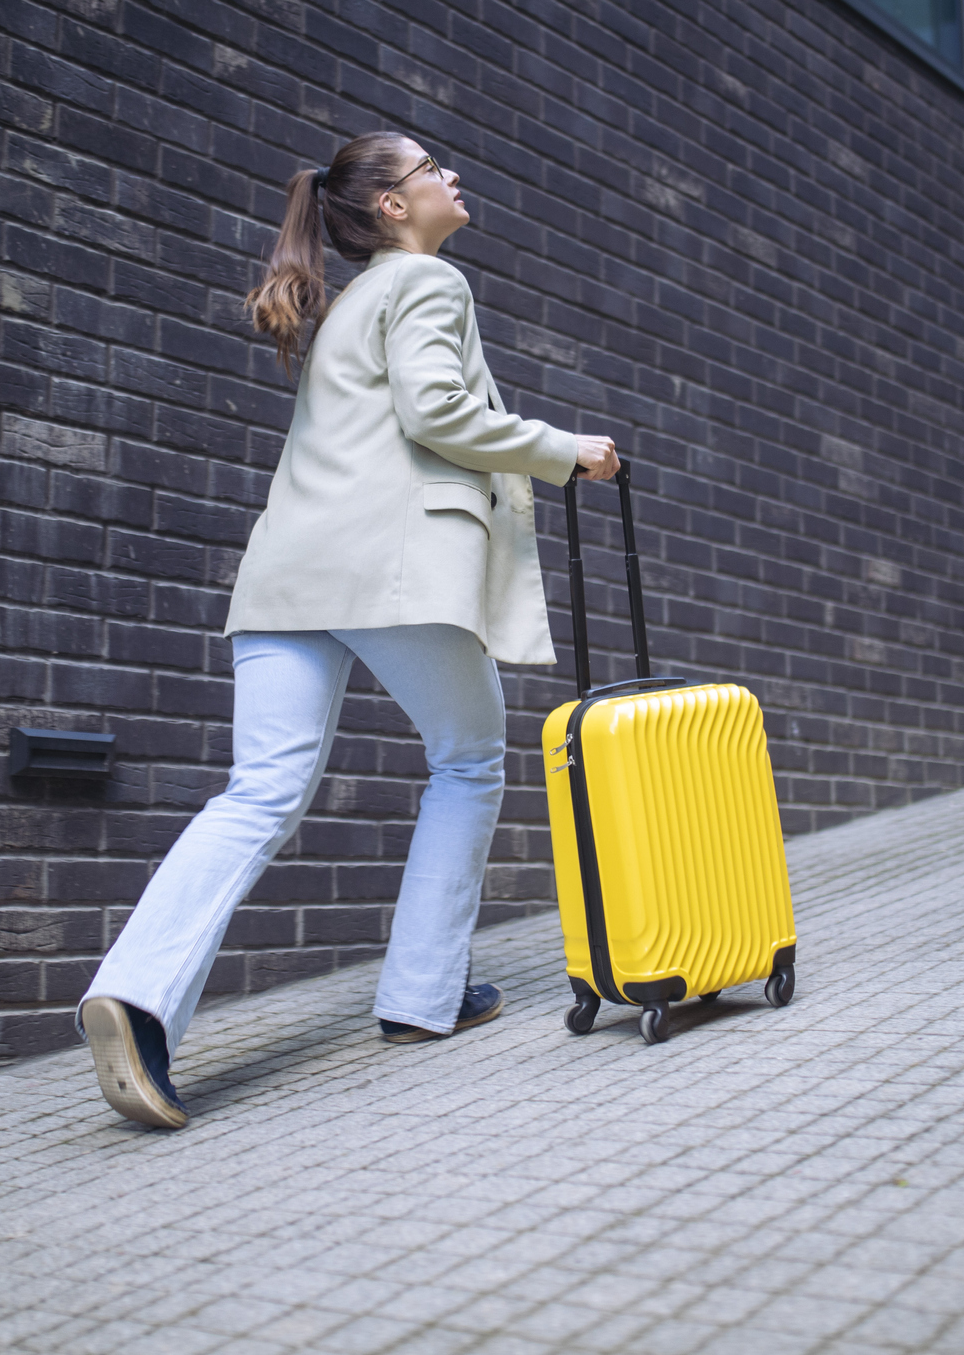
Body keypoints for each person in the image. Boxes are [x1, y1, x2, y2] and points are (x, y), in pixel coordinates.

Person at [76, 132, 621, 1129]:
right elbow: (438, 411)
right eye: (430, 170)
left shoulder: (343, 308)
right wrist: (562, 448)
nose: (453, 176)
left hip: (287, 577)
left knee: (261, 792)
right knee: (467, 757)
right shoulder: (426, 286)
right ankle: (422, 995)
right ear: (392, 210)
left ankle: (140, 997)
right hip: (387, 572)